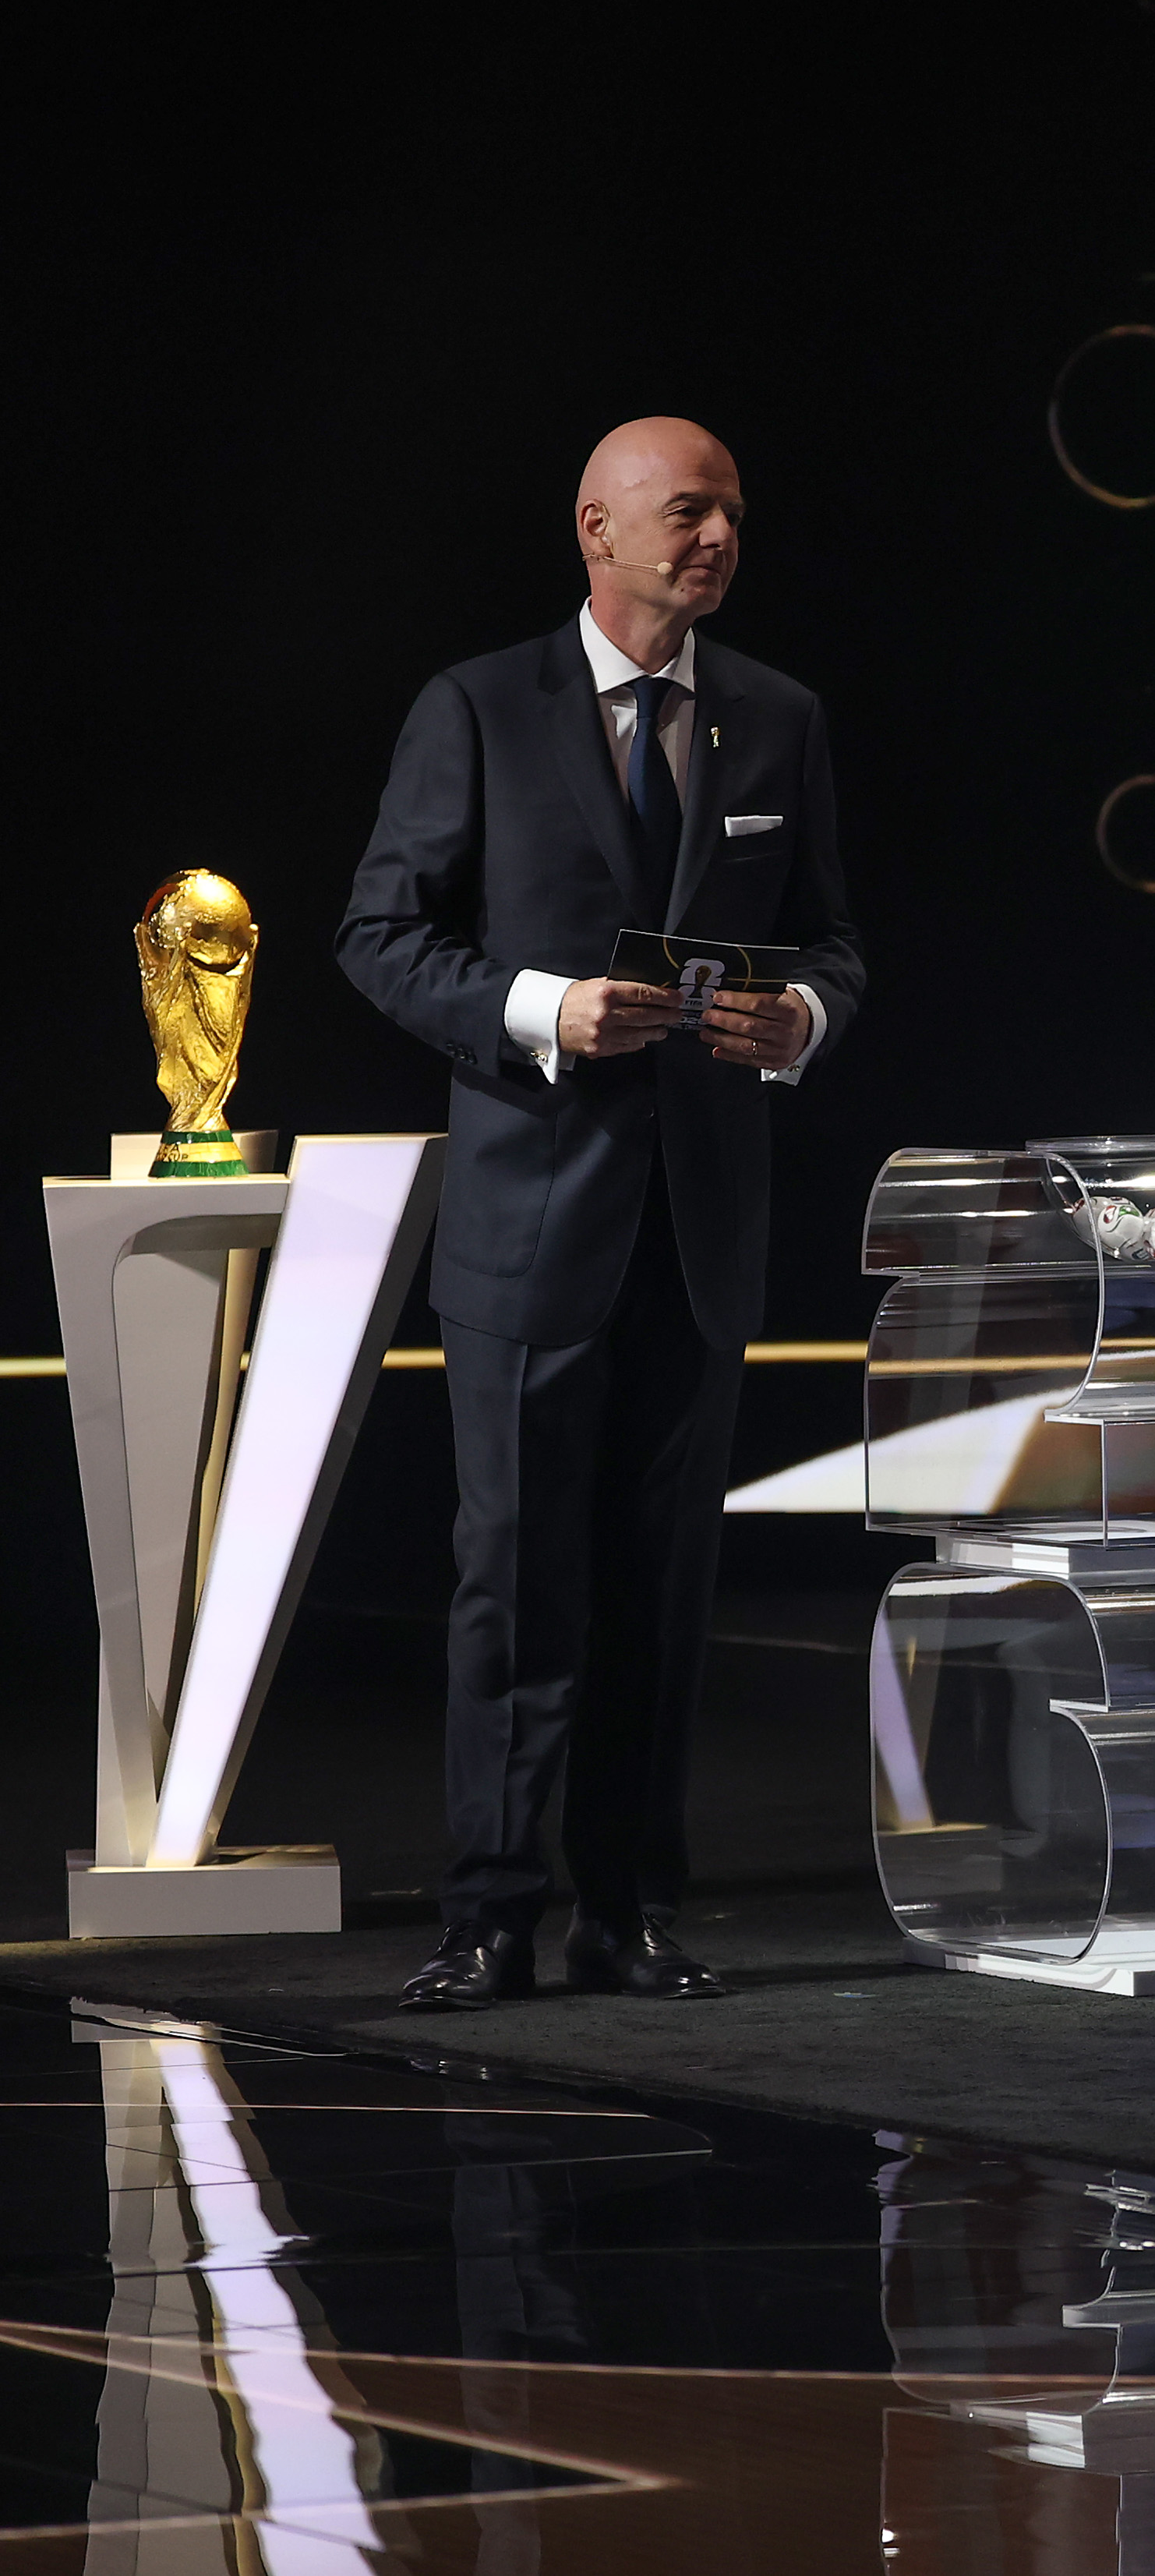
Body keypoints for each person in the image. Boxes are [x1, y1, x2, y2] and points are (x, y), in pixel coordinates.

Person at [335, 417, 865, 2010]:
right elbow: (381, 934)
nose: (717, 537)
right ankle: (489, 1912)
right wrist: (542, 1008)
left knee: (661, 1585)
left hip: (696, 1230)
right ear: (598, 527)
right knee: (515, 1581)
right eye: (688, 510)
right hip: (531, 1220)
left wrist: (801, 1021)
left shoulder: (777, 715)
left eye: (732, 513)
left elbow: (831, 944)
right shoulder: (479, 706)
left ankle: (628, 1910)